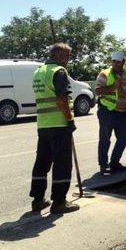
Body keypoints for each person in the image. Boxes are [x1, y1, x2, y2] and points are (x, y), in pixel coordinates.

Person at [30, 42, 80, 214]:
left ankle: (37, 200)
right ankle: (59, 202)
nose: (69, 59)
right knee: (62, 164)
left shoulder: (38, 72)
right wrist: (69, 119)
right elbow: (61, 99)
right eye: (67, 55)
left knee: (42, 162)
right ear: (58, 55)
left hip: (43, 124)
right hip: (59, 124)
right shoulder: (59, 72)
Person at [95, 51, 126, 174]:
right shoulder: (104, 74)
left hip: (122, 112)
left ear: (123, 62)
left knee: (123, 138)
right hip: (107, 111)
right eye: (114, 61)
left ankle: (114, 162)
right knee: (105, 139)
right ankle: (103, 165)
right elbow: (98, 91)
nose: (115, 64)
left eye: (118, 62)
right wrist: (113, 87)